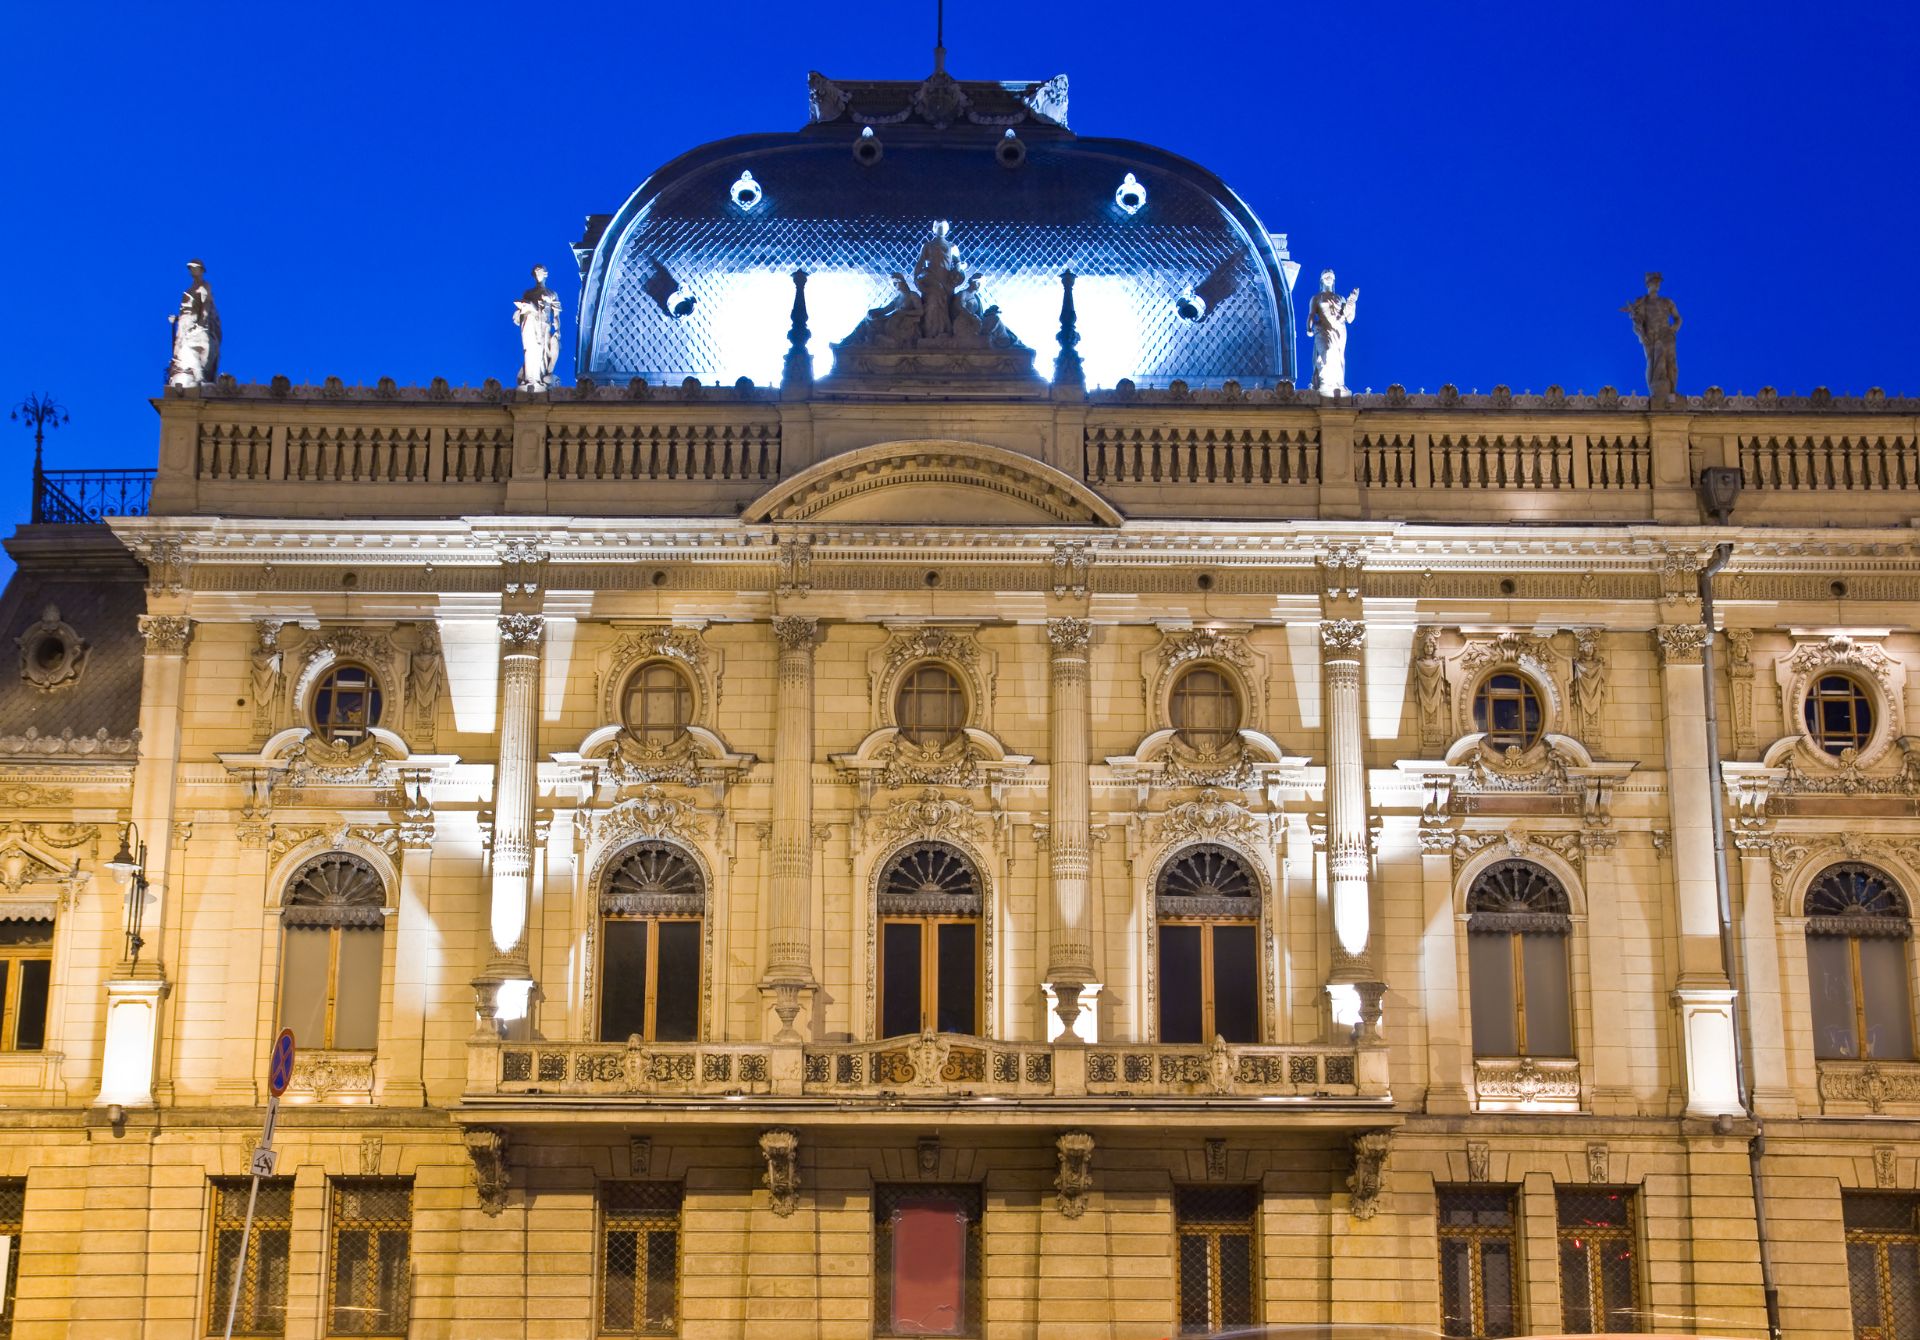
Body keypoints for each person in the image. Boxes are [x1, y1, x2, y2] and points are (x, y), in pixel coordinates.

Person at [1621, 272, 1681, 400]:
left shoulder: (1667, 302)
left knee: (1671, 364)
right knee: (1653, 364)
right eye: (1654, 282)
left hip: (1667, 335)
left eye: (1658, 282)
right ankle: (1656, 393)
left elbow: (1678, 319)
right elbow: (1638, 323)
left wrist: (1673, 329)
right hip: (1651, 337)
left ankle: (1672, 393)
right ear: (1648, 284)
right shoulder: (1643, 302)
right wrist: (1641, 334)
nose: (1657, 284)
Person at [166, 259, 221, 387]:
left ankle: (198, 376)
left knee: (198, 346)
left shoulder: (204, 286)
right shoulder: (189, 289)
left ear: (201, 270)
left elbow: (206, 305)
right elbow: (186, 310)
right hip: (185, 323)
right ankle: (184, 374)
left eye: (195, 268)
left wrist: (201, 323)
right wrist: (178, 319)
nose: (192, 270)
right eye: (191, 268)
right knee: (180, 347)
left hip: (196, 323)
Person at [1308, 268, 1359, 396]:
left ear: (1334, 280)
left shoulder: (1341, 298)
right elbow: (1311, 314)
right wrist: (1308, 328)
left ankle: (1338, 384)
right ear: (1321, 280)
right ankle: (1325, 383)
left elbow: (1350, 319)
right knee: (1327, 352)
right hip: (1323, 330)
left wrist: (1352, 303)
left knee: (1338, 356)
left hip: (1339, 330)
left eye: (1331, 276)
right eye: (1326, 276)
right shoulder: (1316, 298)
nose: (1329, 278)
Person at [514, 264, 562, 391]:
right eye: (535, 272)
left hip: (544, 326)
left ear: (545, 274)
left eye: (540, 272)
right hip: (529, 324)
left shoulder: (552, 293)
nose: (537, 274)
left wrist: (557, 330)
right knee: (530, 350)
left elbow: (556, 314)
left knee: (542, 350)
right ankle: (530, 379)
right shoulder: (528, 293)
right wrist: (518, 312)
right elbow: (521, 310)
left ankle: (539, 379)